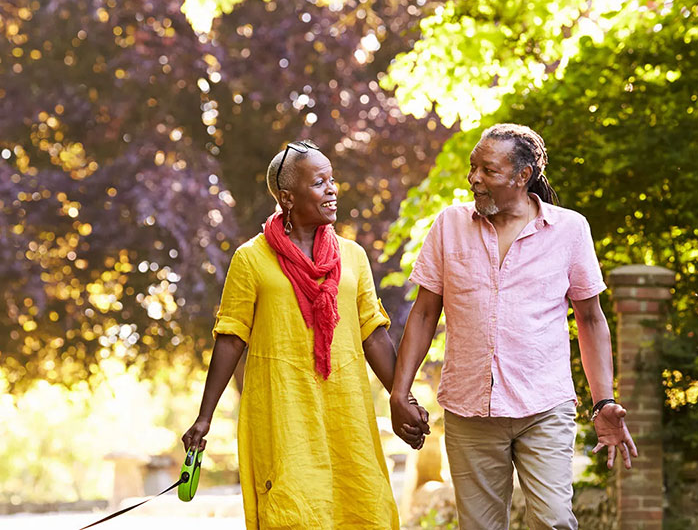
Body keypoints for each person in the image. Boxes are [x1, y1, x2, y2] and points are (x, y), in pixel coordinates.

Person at [389, 124, 638, 529]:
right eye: (473, 168)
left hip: (543, 406)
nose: (474, 179)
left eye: (487, 170)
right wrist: (400, 391)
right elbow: (423, 313)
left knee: (555, 521)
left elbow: (591, 319)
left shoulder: (570, 230)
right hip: (469, 409)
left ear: (523, 176)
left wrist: (603, 400)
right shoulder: (449, 225)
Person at [182, 140, 428, 530]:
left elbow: (373, 335)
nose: (332, 189)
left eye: (332, 180)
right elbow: (231, 338)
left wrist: (403, 396)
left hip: (346, 410)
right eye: (319, 182)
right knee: (293, 510)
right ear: (288, 197)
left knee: (362, 504)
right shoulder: (251, 258)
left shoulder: (352, 256)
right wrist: (204, 417)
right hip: (283, 412)